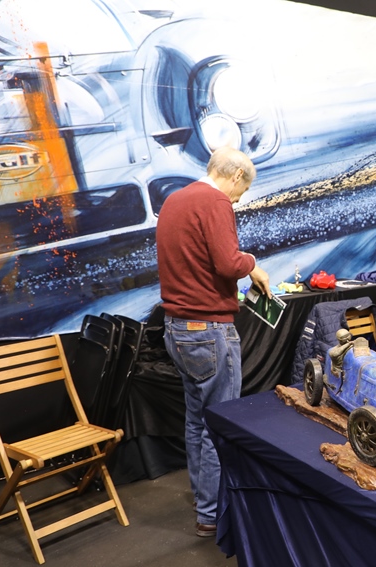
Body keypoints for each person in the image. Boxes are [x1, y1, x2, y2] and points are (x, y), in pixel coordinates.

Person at [156, 146, 270, 537]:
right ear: (236, 176)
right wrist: (252, 264)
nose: (238, 199)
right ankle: (212, 514)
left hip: (177, 329)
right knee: (218, 425)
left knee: (197, 422)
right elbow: (227, 263)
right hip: (208, 331)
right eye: (243, 190)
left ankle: (204, 503)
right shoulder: (216, 202)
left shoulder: (175, 200)